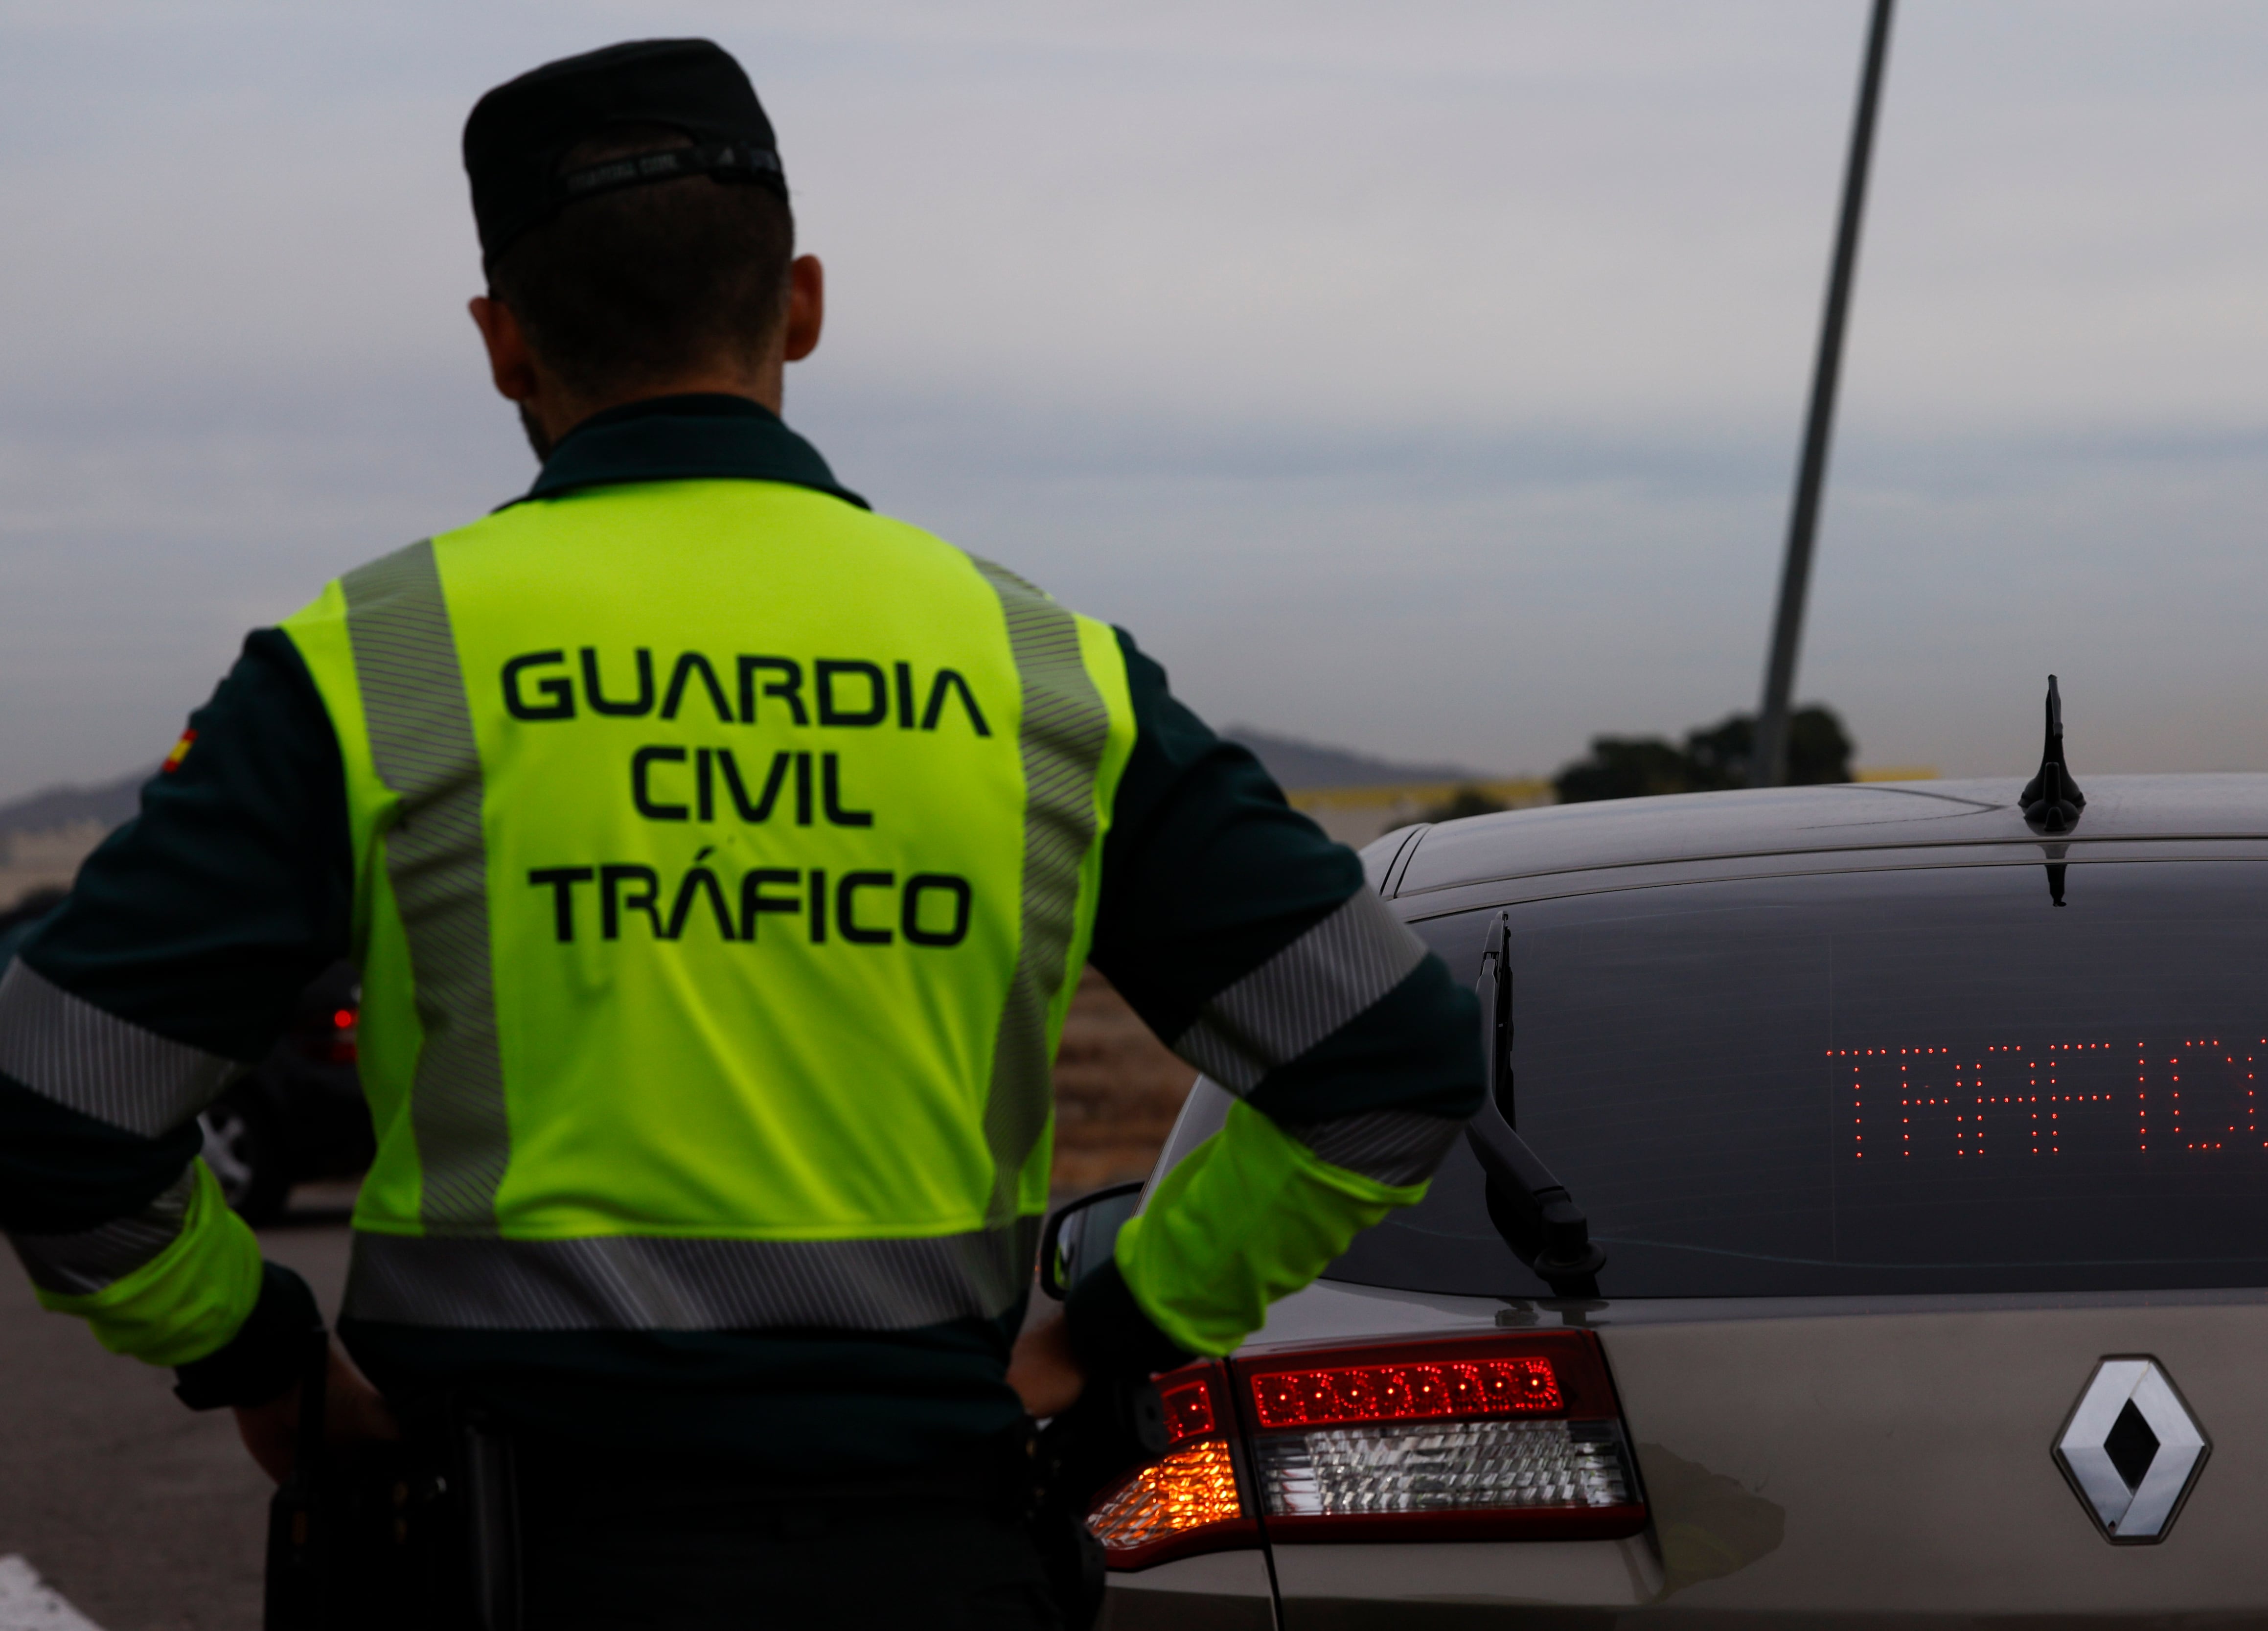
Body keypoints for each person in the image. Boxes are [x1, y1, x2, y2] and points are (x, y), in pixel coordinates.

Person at [0, 37, 1483, 1629]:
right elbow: (1387, 1059)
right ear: (801, 306)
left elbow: (59, 1103)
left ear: (504, 345)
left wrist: (262, 1359)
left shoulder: (379, 664)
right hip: (934, 1557)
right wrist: (1115, 1329)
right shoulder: (1043, 674)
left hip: (498, 1558)